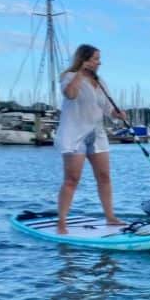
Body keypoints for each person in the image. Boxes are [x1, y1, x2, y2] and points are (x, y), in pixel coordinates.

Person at [55, 44, 128, 234]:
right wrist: (80, 72)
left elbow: (107, 109)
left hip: (96, 135)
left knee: (104, 177)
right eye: (95, 59)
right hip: (74, 136)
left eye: (98, 59)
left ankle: (110, 217)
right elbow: (69, 95)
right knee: (72, 179)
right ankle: (61, 221)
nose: (99, 62)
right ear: (84, 59)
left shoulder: (101, 82)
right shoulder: (69, 77)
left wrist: (116, 114)